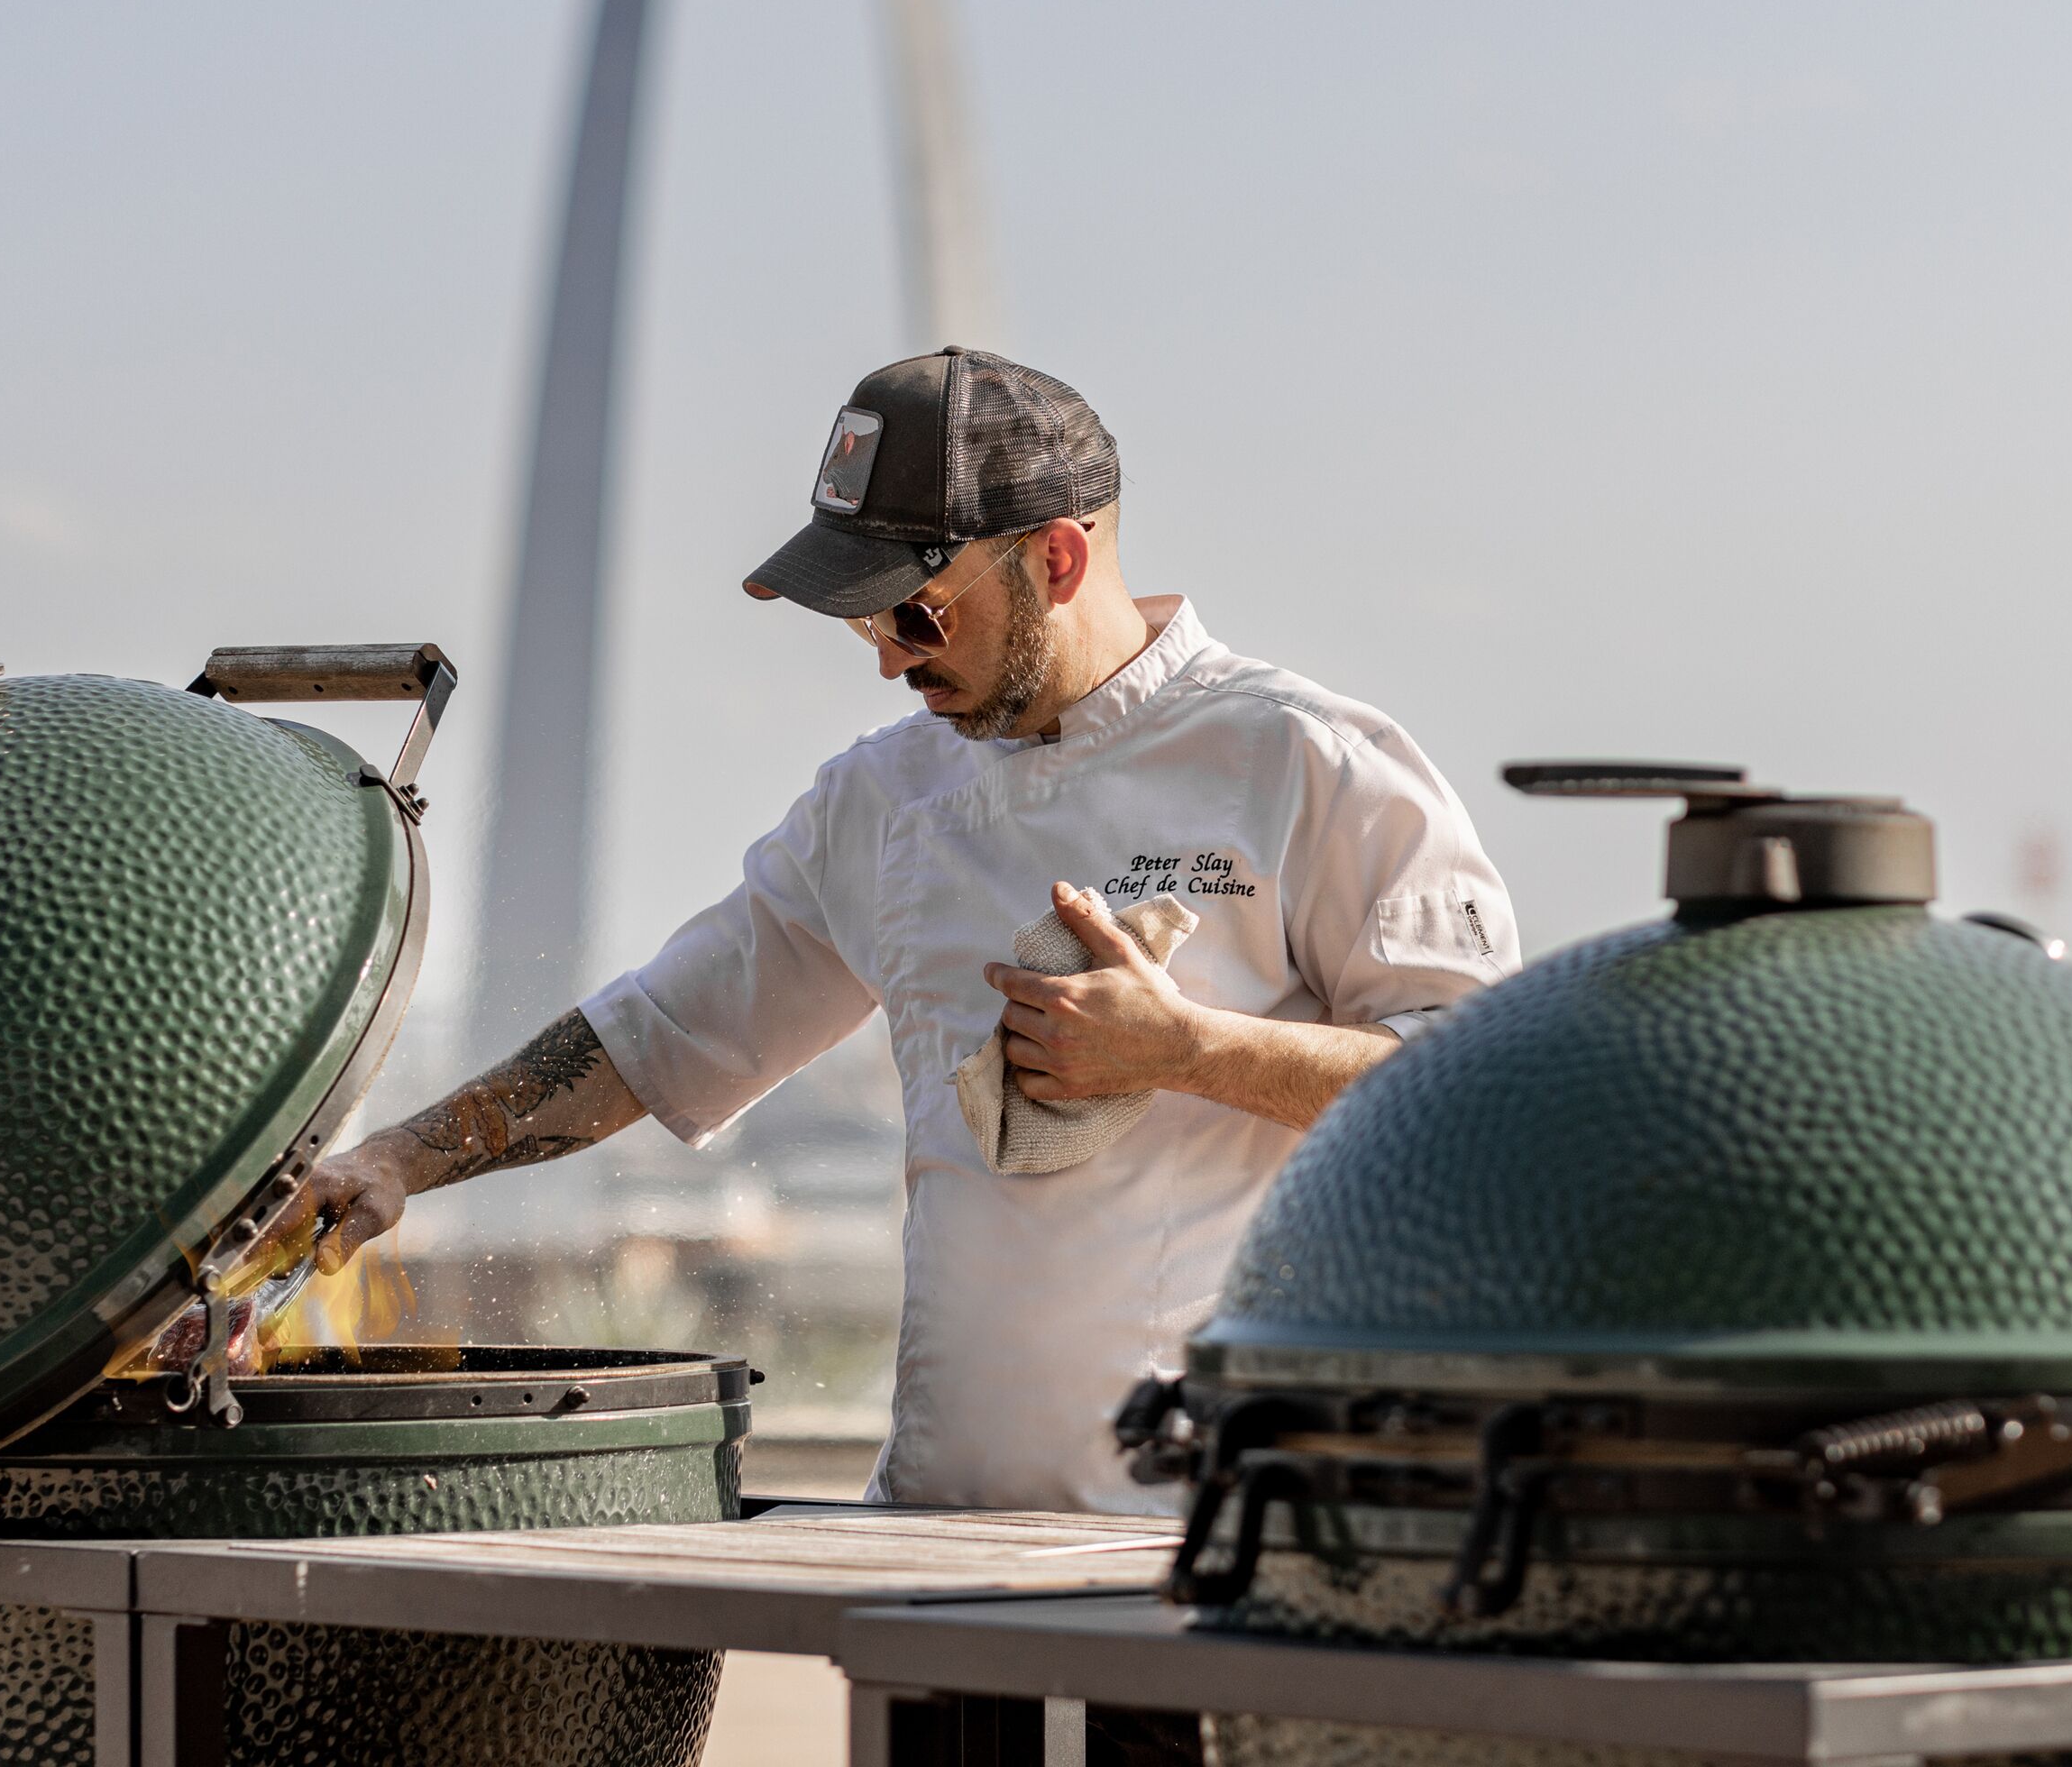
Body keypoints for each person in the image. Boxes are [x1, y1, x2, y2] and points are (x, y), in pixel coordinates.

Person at [307, 347, 1518, 1513]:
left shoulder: (1308, 763)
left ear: (1056, 557)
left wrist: (1190, 1051)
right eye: (862, 625)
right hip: (935, 1525)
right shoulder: (883, 800)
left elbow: (1486, 1102)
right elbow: (658, 1033)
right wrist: (401, 1160)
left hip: (1203, 1545)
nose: (888, 660)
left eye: (919, 616)